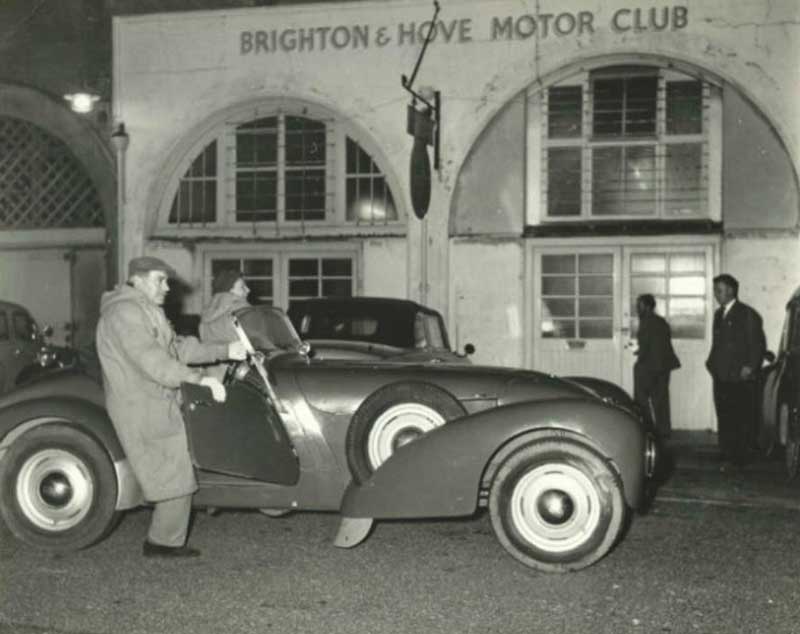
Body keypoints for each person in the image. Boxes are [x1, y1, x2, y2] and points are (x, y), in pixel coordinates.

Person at [95, 257, 246, 558]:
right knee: (172, 470)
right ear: (137, 280)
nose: (166, 287)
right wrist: (199, 379)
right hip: (141, 404)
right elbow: (154, 361)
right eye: (159, 280)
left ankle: (164, 540)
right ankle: (162, 543)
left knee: (174, 468)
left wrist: (224, 350)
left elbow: (178, 347)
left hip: (156, 400)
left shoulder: (144, 310)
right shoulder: (124, 312)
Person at [705, 273, 766, 467]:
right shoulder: (718, 314)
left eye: (719, 290)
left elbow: (757, 344)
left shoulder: (747, 314)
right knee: (723, 414)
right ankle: (726, 452)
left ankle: (740, 457)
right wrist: (711, 364)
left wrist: (749, 366)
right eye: (715, 290)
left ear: (731, 290)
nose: (716, 294)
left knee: (740, 417)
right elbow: (717, 344)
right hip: (721, 375)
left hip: (739, 377)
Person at [633, 294, 681, 439]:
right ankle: (664, 431)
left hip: (650, 366)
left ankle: (646, 429)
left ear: (647, 306)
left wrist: (639, 360)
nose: (637, 309)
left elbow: (647, 345)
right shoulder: (660, 321)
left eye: (639, 305)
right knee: (661, 400)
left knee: (641, 399)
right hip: (663, 366)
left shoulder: (646, 321)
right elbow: (660, 343)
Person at [199, 269, 252, 379]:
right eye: (242, 287)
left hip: (212, 372)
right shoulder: (242, 308)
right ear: (230, 291)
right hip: (239, 373)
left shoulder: (207, 311)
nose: (248, 290)